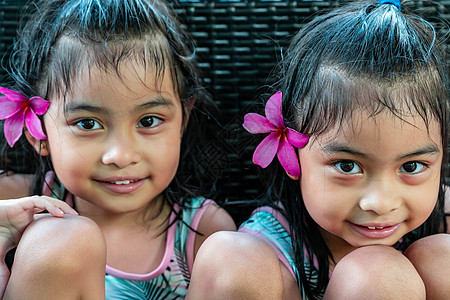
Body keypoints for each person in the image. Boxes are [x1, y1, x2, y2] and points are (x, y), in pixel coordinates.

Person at [187, 0, 450, 299]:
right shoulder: (258, 260)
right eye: (347, 166)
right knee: (230, 259)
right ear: (293, 154)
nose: (380, 203)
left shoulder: (438, 217)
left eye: (411, 166)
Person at [0, 0, 236, 298]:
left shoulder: (203, 234)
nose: (122, 156)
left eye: (149, 121)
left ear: (183, 120)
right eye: (87, 124)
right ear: (38, 132)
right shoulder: (16, 207)